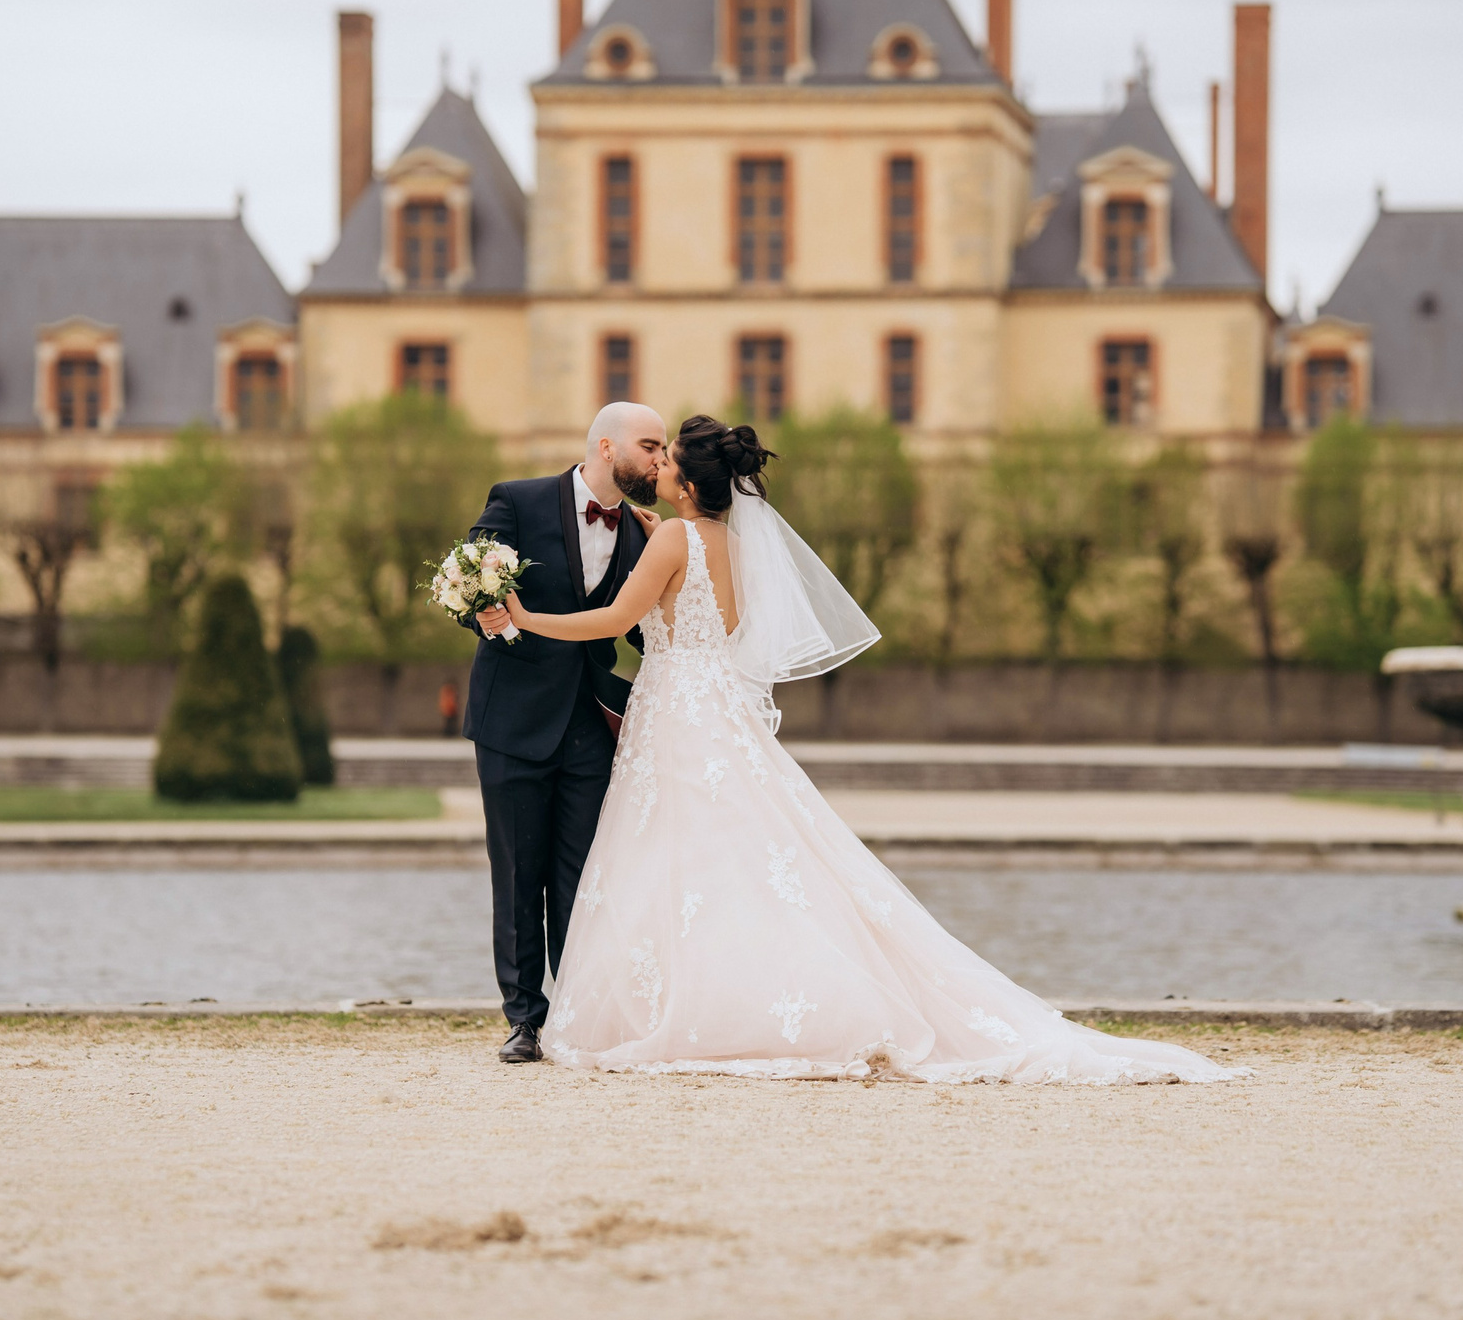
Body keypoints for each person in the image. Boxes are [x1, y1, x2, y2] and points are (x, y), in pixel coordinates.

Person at [500, 415, 1242, 1085]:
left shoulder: (670, 537)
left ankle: (683, 1007)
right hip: (714, 708)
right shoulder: (734, 543)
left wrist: (528, 615)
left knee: (676, 860)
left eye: (666, 463)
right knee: (744, 860)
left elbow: (615, 621)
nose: (655, 469)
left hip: (676, 714)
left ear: (688, 485)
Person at [463, 402, 666, 1064]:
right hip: (513, 717)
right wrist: (485, 615)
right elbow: (469, 578)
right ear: (606, 447)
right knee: (519, 872)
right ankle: (524, 1017)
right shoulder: (517, 500)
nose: (661, 459)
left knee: (583, 877)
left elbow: (638, 628)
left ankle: (577, 1014)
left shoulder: (644, 531)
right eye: (651, 445)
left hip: (589, 723)